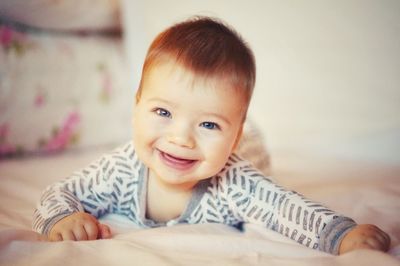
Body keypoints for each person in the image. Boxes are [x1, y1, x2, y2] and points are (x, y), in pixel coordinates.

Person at [32, 16, 390, 255]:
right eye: (162, 112)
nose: (181, 138)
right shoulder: (121, 170)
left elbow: (286, 208)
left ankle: (243, 133)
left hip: (251, 150)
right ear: (136, 108)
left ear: (230, 138)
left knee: (254, 160)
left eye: (208, 124)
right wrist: (62, 218)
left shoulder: (234, 184)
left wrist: (342, 235)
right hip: (234, 140)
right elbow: (59, 193)